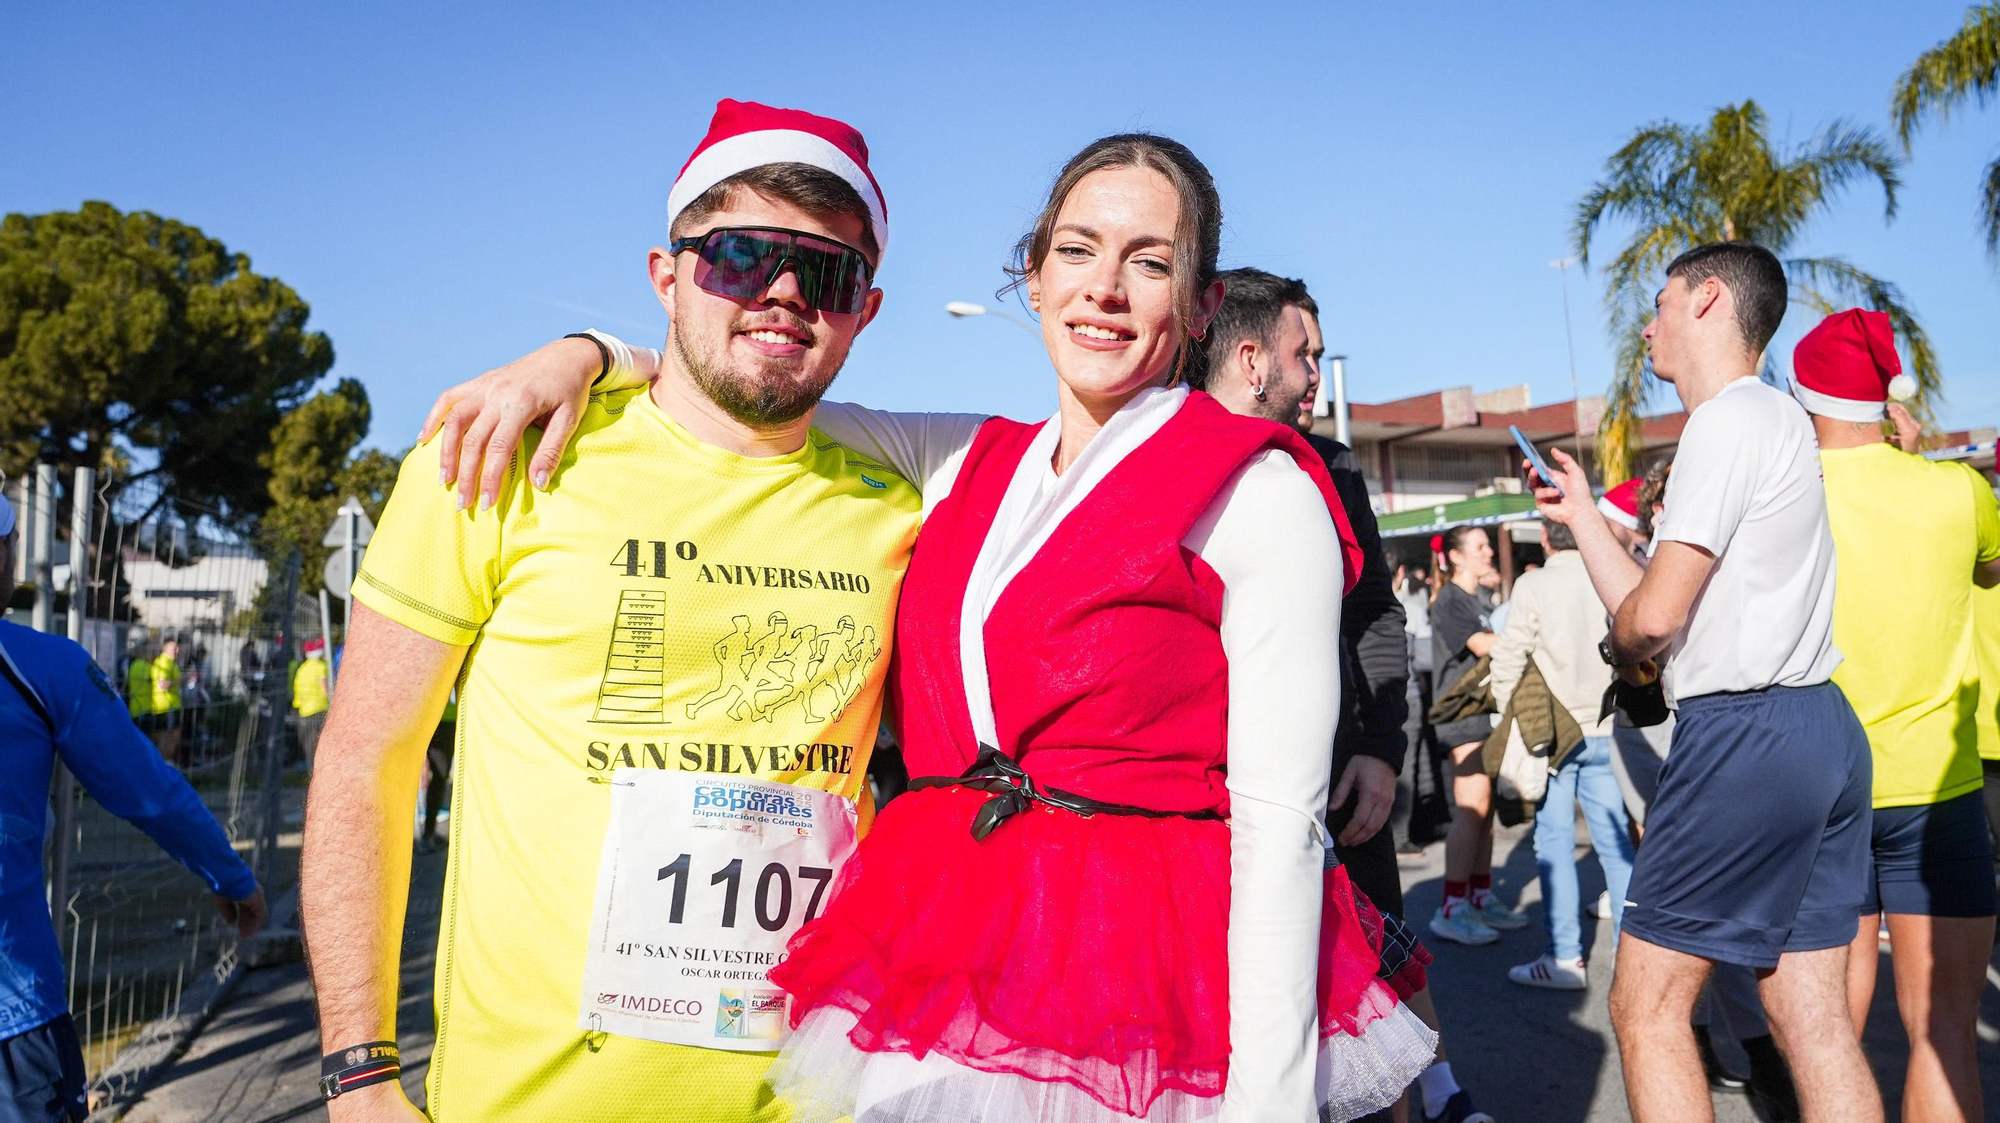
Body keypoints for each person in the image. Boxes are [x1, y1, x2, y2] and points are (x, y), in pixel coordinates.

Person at [434, 133, 1437, 1121]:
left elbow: (1278, 831)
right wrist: (590, 354)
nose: (1104, 287)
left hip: (1135, 976)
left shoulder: (1256, 489)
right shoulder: (967, 460)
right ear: (1032, 279)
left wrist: (1267, 1108)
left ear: (1202, 304)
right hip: (948, 955)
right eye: (1077, 250)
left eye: (1150, 261)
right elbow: (747, 383)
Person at [301, 100, 923, 1122]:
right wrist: (360, 1073)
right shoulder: (501, 453)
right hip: (526, 1102)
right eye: (739, 256)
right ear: (665, 276)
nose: (780, 293)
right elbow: (368, 755)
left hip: (812, 1098)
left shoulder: (901, 508)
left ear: (865, 308)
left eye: (826, 272)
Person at [1531, 241, 1879, 1123]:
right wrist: (1583, 519)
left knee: (1645, 1004)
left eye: (1659, 304)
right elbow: (1664, 606)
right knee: (1814, 1018)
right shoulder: (1775, 419)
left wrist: (1623, 644)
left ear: (1708, 300)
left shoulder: (1725, 421)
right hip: (1817, 725)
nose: (1646, 327)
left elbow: (1648, 623)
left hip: (1746, 733)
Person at [1190, 268, 1491, 1123]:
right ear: (1250, 358)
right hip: (1217, 807)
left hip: (1345, 794)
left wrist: (1380, 749)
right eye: (1305, 353)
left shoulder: (1334, 468)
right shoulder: (1163, 459)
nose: (1319, 372)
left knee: (1376, 1013)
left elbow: (1376, 617)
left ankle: (1437, 1093)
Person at [1791, 308, 2000, 1123]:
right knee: (1945, 1031)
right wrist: (1913, 470)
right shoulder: (1959, 491)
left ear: (1805, 398)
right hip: (1936, 790)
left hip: (1819, 787)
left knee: (1827, 1037)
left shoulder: (1785, 496)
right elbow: (1987, 569)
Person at [0, 492, 267, 1123]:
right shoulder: (42, 665)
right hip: (13, 1013)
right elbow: (149, 791)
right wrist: (231, 876)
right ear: (6, 552)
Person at [1489, 519, 1634, 990]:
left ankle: (1565, 957)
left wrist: (1504, 716)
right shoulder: (1606, 576)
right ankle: (1632, 960)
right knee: (1616, 846)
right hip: (1607, 726)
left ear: (1547, 539)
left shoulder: (1534, 583)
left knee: (1553, 845)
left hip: (1549, 734)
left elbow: (1510, 655)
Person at [1427, 526, 1528, 945]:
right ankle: (1451, 907)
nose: (1489, 552)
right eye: (1481, 546)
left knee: (1485, 812)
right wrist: (1531, 635)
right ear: (1455, 557)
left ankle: (1480, 896)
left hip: (1481, 715)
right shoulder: (1450, 600)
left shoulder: (1476, 599)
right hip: (1460, 715)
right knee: (1474, 806)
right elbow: (1484, 644)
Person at [292, 638, 329, 770]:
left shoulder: (302, 668)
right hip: (319, 709)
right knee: (319, 744)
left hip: (304, 711)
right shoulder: (321, 666)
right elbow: (325, 689)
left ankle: (310, 769)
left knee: (308, 744)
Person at [150, 636, 185, 767]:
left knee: (172, 735)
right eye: (174, 648)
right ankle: (164, 764)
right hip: (166, 705)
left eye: (177, 648)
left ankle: (165, 763)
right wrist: (182, 681)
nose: (177, 651)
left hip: (172, 704)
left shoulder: (171, 663)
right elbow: (162, 684)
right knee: (168, 736)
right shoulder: (164, 663)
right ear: (165, 649)